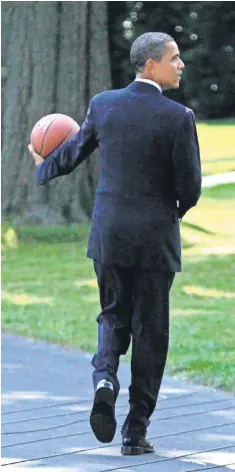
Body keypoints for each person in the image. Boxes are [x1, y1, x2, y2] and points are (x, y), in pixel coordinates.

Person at [28, 32, 202, 456]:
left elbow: (70, 154)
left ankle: (104, 377)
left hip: (108, 236)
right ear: (149, 65)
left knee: (112, 316)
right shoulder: (179, 116)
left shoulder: (102, 105)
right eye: (173, 58)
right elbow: (191, 188)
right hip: (155, 241)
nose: (180, 64)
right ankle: (134, 432)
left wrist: (41, 168)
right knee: (151, 333)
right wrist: (169, 215)